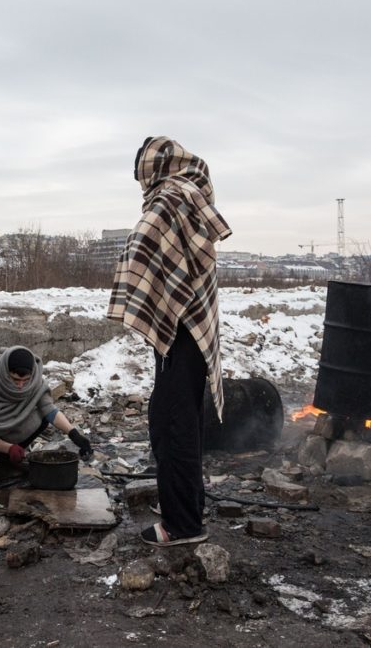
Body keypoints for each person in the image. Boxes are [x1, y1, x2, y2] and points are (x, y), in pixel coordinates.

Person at [108, 136, 232, 547]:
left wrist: (134, 276)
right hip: (191, 330)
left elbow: (142, 242)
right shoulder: (191, 191)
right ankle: (184, 505)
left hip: (183, 332)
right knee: (177, 420)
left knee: (173, 424)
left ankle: (183, 526)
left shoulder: (172, 196)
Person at [0, 346, 93, 482]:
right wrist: (9, 448)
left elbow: (49, 409)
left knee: (42, 416)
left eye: (25, 381)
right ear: (5, 373)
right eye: (15, 380)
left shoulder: (34, 382)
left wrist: (74, 435)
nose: (20, 386)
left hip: (6, 432)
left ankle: (8, 458)